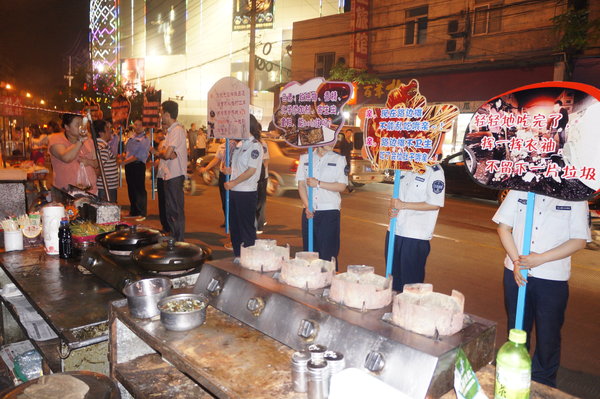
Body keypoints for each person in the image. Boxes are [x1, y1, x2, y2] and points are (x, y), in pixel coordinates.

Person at [493, 190, 590, 387]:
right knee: (517, 329)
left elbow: (579, 240)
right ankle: (514, 375)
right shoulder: (520, 188)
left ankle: (543, 383)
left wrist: (541, 258)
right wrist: (517, 261)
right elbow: (503, 228)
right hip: (516, 272)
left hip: (552, 277)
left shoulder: (575, 194)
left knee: (549, 335)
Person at [385, 165, 445, 291]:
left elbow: (435, 204)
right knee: (392, 281)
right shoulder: (402, 165)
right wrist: (392, 209)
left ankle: (408, 310)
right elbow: (396, 198)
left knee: (411, 284)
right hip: (394, 230)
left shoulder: (434, 171)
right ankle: (394, 309)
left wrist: (404, 205)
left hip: (415, 235)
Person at [296, 141, 348, 267]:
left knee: (328, 255)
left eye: (335, 139)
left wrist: (318, 183)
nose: (334, 142)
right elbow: (301, 184)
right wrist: (307, 205)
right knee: (310, 253)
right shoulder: (305, 158)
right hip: (309, 211)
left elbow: (342, 186)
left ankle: (329, 283)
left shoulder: (339, 159)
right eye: (330, 139)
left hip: (329, 212)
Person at [223, 115, 263, 257]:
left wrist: (233, 182)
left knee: (246, 228)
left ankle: (249, 258)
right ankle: (238, 256)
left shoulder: (255, 146)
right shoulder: (240, 145)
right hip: (235, 191)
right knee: (235, 227)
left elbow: (251, 171)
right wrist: (228, 171)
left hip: (246, 192)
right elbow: (238, 168)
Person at [150, 100, 187, 242]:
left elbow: (167, 154)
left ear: (167, 114)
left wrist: (160, 152)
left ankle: (178, 240)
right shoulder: (171, 131)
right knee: (170, 209)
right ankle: (173, 237)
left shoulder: (177, 131)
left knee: (176, 209)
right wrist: (165, 153)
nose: (161, 116)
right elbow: (168, 154)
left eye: (162, 113)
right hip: (168, 174)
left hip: (175, 175)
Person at [48, 113, 98, 200]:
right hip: (66, 193)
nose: (81, 127)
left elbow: (97, 163)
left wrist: (89, 162)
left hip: (90, 192)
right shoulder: (56, 139)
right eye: (77, 124)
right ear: (67, 127)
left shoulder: (89, 141)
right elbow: (66, 158)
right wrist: (80, 141)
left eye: (82, 124)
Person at [199, 139, 236, 228]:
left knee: (233, 199)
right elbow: (216, 159)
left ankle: (234, 220)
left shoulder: (238, 145)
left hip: (234, 175)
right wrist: (206, 168)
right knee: (224, 199)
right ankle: (227, 219)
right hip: (223, 174)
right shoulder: (222, 146)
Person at [120, 118, 151, 221]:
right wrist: (123, 156)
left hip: (138, 165)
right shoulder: (131, 137)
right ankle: (133, 211)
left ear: (144, 127)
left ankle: (141, 212)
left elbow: (138, 156)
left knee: (139, 189)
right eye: (135, 124)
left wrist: (124, 162)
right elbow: (127, 150)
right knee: (131, 189)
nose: (137, 127)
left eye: (139, 125)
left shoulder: (145, 139)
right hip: (129, 165)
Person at [93, 119, 119, 202]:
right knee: (107, 211)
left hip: (105, 186)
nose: (110, 132)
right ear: (101, 133)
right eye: (107, 129)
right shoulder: (102, 147)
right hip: (106, 187)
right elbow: (98, 166)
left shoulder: (98, 145)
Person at [256, 137, 269, 234]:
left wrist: (259, 173)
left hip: (261, 177)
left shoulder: (261, 143)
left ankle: (259, 225)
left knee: (260, 202)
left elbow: (266, 160)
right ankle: (260, 221)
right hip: (251, 177)